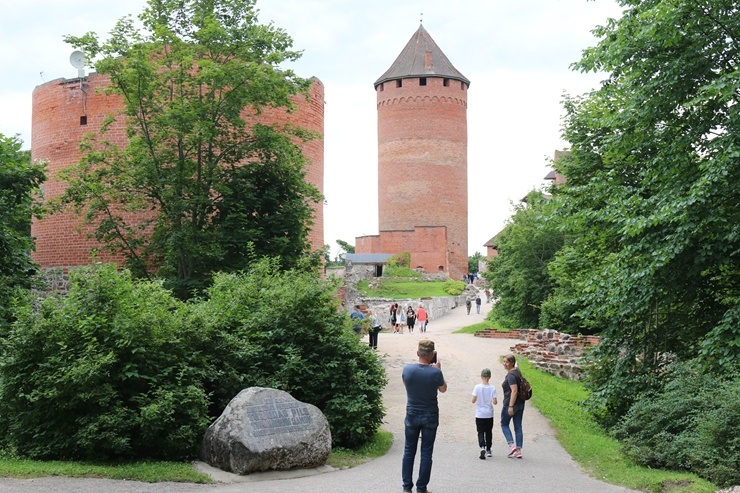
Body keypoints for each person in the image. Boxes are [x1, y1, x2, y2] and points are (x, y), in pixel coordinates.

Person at [402, 339, 447, 493]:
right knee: (426, 452)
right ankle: (421, 488)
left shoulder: (408, 370)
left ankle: (407, 486)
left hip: (412, 412)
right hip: (430, 414)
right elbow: (443, 389)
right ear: (432, 355)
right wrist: (438, 370)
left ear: (417, 353)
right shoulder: (436, 372)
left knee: (409, 450)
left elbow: (407, 383)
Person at [501, 354, 525, 459]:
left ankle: (512, 445)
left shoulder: (511, 376)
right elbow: (517, 366)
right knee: (518, 427)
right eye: (504, 361)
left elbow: (514, 391)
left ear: (511, 363)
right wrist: (516, 364)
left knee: (504, 424)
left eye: (506, 362)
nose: (504, 364)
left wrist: (510, 406)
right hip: (521, 403)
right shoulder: (517, 371)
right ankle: (518, 451)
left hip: (511, 403)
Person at [471, 368, 498, 459]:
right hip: (489, 413)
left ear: (481, 376)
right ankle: (489, 449)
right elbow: (495, 402)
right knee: (489, 432)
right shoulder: (492, 388)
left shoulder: (477, 387)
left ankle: (482, 446)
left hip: (480, 414)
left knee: (480, 431)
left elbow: (473, 400)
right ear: (489, 377)